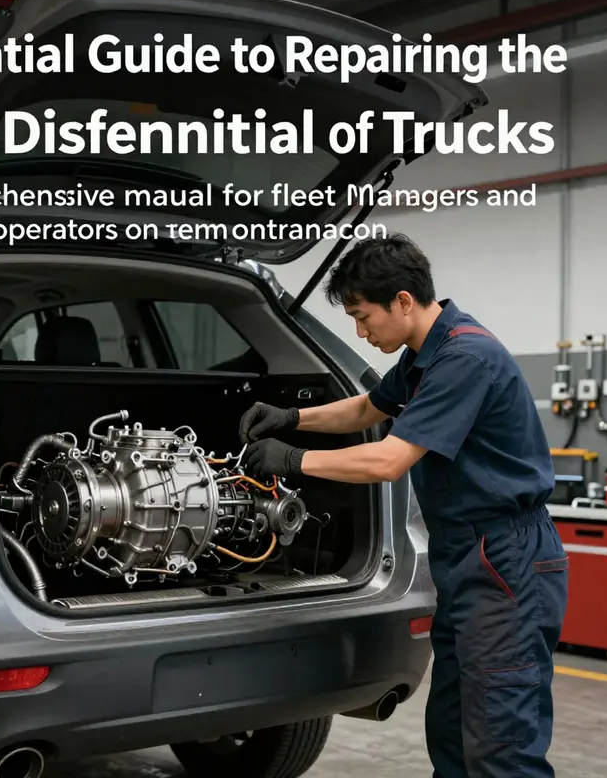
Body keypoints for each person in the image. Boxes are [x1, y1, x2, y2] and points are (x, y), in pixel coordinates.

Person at [239, 233, 568, 778]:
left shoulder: (464, 358)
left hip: (507, 559)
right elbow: (367, 408)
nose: (360, 333)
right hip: (466, 556)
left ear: (403, 301)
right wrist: (293, 418)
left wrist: (293, 460)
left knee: (502, 744)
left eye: (363, 317)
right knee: (453, 735)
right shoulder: (425, 355)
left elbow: (389, 460)